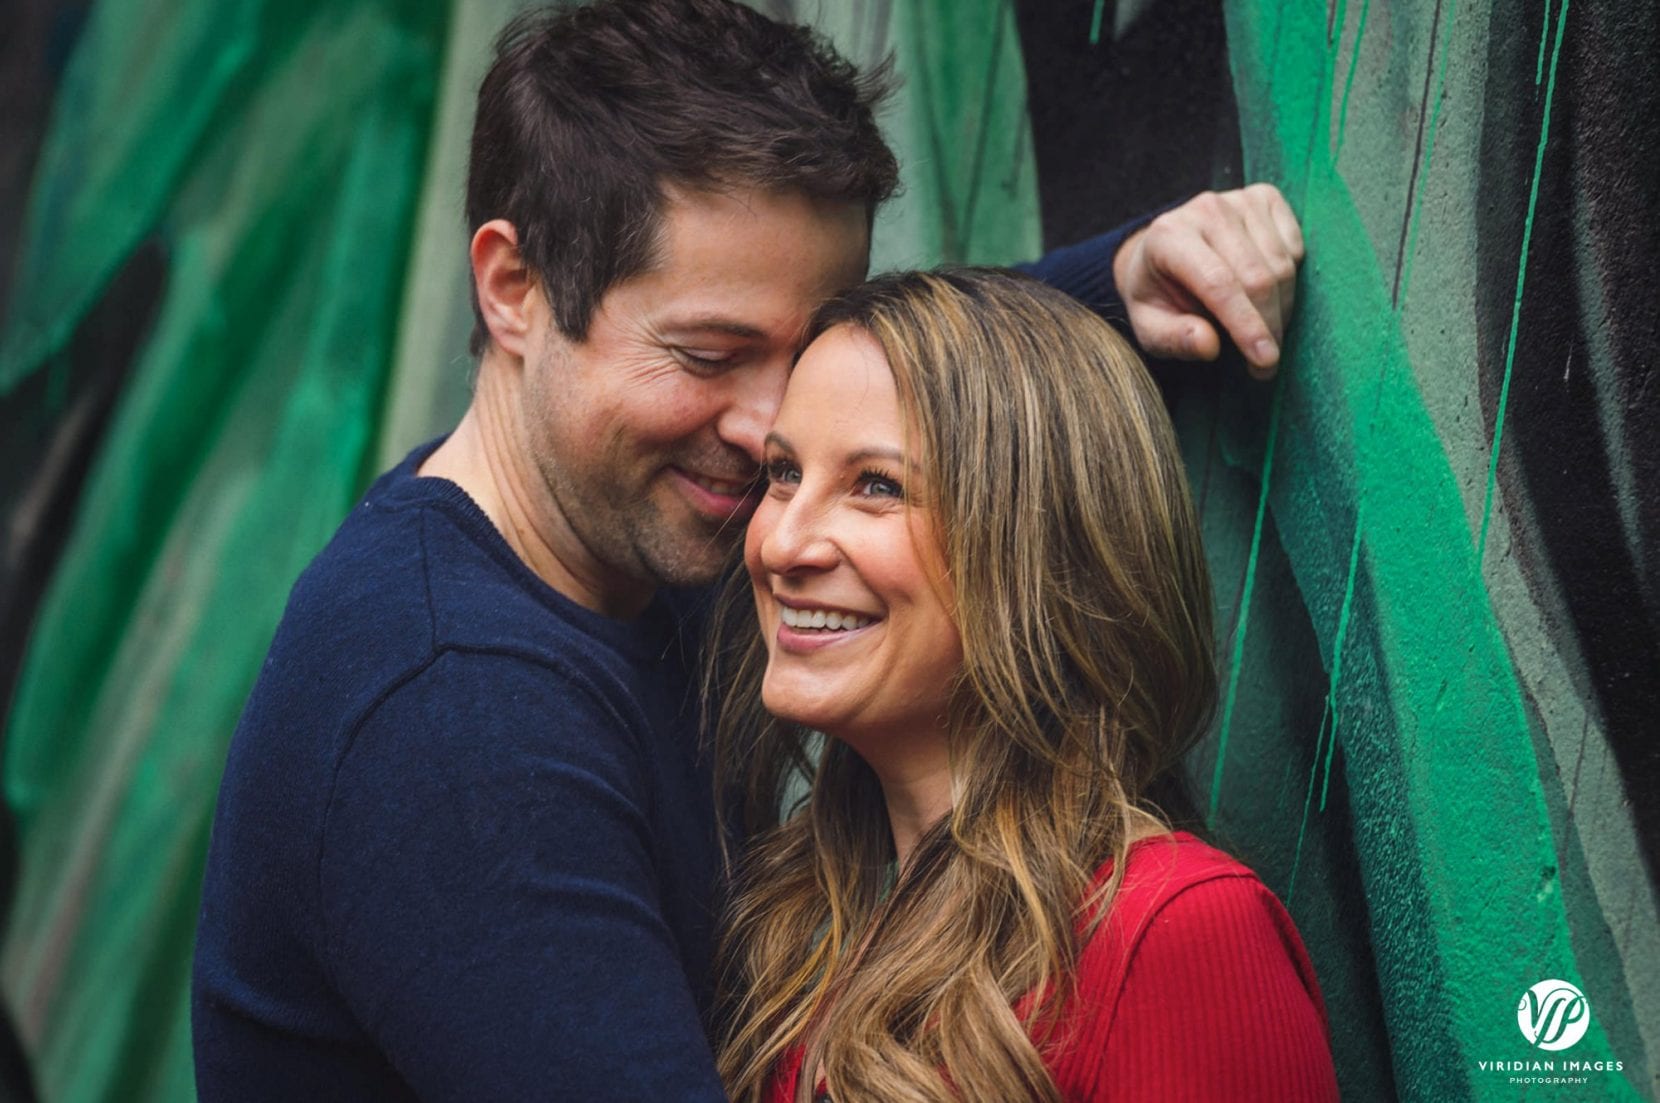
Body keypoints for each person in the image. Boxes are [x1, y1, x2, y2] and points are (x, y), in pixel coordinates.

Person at [190, 1, 1306, 1099]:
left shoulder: (612, 509)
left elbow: (901, 402)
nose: (771, 427)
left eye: (808, 343)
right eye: (710, 352)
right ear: (513, 288)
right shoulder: (459, 720)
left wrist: (1112, 280)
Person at [712, 268, 1339, 1103]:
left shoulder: (1173, 932)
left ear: (1039, 552)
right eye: (783, 473)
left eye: (876, 486)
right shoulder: (812, 921)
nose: (781, 543)